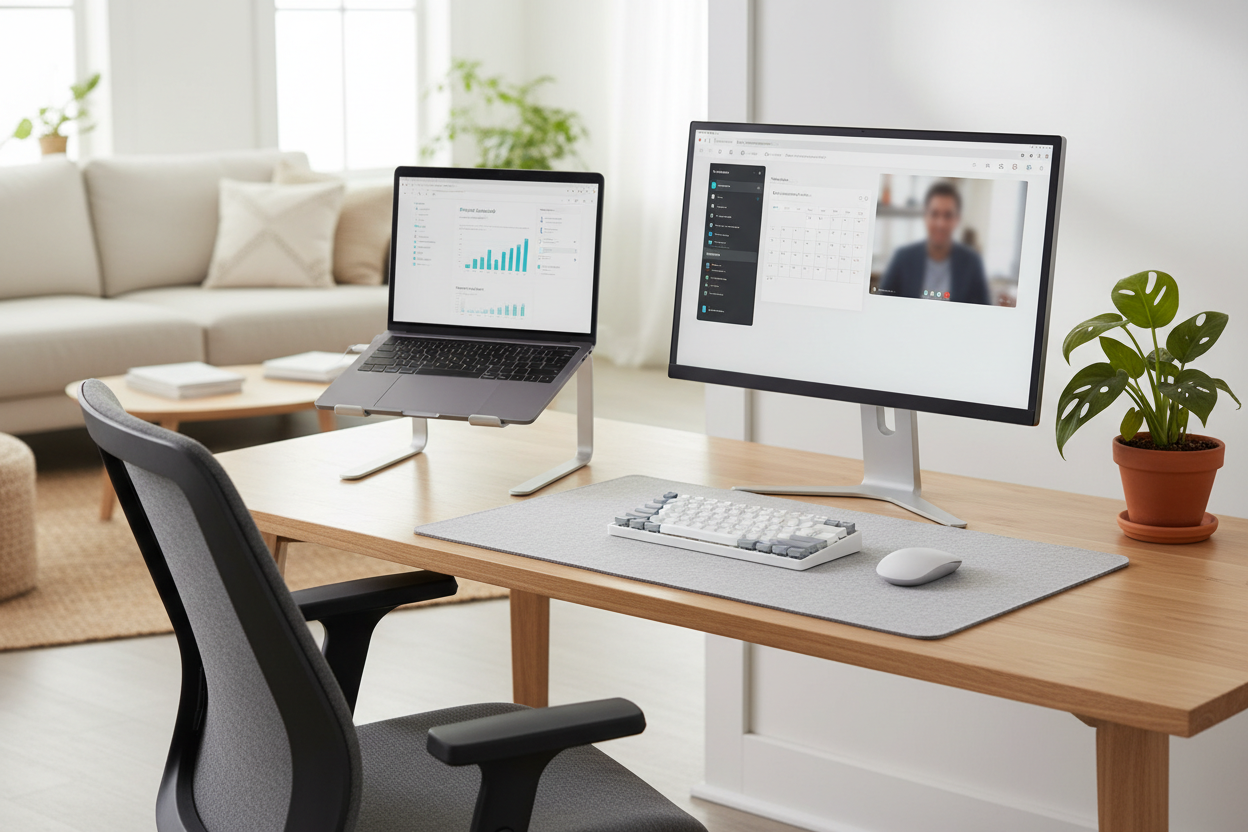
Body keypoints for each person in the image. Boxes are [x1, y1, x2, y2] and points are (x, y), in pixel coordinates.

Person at [878, 181, 989, 304]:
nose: (940, 224)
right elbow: (882, 305)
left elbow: (984, 310)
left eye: (948, 215)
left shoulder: (972, 263)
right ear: (925, 216)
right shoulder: (902, 258)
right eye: (934, 214)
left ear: (957, 220)